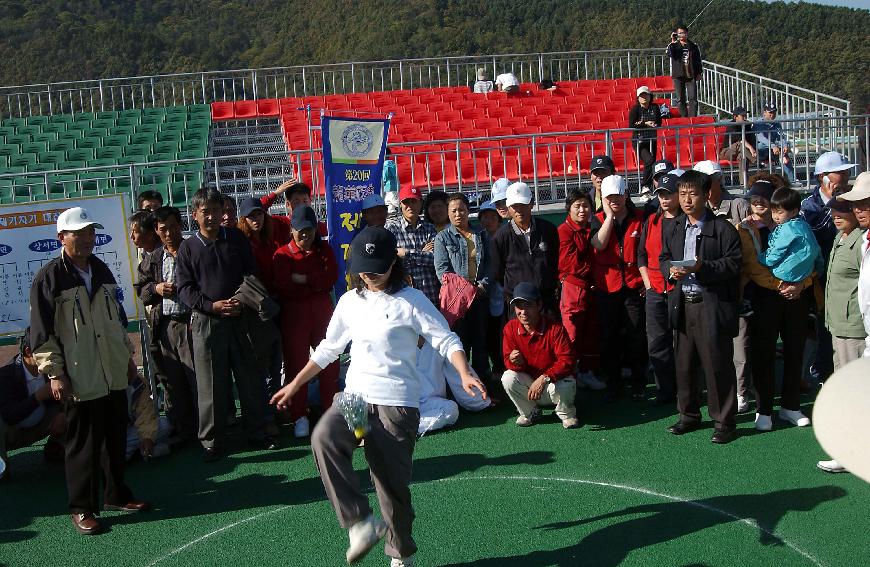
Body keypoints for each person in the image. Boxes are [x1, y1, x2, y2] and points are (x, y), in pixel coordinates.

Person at [270, 226, 486, 567]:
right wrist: (295, 384)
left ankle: (400, 555)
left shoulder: (411, 301)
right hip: (356, 397)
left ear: (392, 265)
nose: (369, 276)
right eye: (363, 269)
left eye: (377, 269)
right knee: (324, 438)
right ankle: (359, 522)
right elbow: (328, 349)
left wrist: (463, 371)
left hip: (396, 404)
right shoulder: (348, 301)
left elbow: (445, 339)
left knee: (390, 488)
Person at [30, 206, 150, 535]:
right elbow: (41, 334)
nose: (86, 239)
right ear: (61, 238)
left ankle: (116, 495)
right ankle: (81, 508)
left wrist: (127, 359)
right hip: (78, 377)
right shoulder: (49, 277)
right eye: (78, 233)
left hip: (111, 372)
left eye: (89, 232)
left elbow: (116, 322)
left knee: (114, 437)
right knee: (82, 445)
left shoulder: (101, 270)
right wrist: (55, 373)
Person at [176, 188, 274, 462]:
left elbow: (250, 273)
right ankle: (212, 441)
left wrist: (241, 300)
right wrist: (212, 306)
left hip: (241, 318)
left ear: (223, 213)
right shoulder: (188, 248)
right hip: (208, 323)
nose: (211, 217)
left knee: (250, 377)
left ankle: (257, 431)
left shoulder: (236, 238)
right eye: (205, 212)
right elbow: (184, 289)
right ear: (194, 215)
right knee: (210, 384)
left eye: (216, 211)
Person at [660, 171, 742, 444]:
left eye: (692, 194)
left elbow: (733, 264)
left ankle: (724, 421)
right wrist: (669, 271)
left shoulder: (722, 229)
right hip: (682, 303)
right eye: (682, 194)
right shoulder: (672, 225)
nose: (686, 200)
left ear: (706, 195)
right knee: (684, 364)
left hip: (711, 305)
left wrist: (701, 268)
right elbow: (663, 258)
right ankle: (689, 415)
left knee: (716, 364)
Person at [747, 186, 821, 431]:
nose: (759, 204)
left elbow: (812, 258)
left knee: (794, 351)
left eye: (764, 200)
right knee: (763, 352)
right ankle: (764, 409)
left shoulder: (798, 226)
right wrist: (780, 284)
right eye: (753, 199)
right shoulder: (746, 228)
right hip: (767, 297)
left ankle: (791, 406)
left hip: (797, 297)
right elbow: (753, 267)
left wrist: (801, 283)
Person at [271, 205, 340, 438]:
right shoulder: (281, 254)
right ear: (291, 230)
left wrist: (303, 279)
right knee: (296, 364)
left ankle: (330, 413)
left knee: (329, 361)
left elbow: (331, 277)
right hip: (295, 314)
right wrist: (315, 283)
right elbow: (284, 286)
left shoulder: (324, 250)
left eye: (309, 230)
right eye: (300, 230)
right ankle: (299, 415)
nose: (305, 235)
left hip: (322, 311)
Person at [134, 205, 199, 443]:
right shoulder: (153, 258)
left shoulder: (193, 249)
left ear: (180, 226)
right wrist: (156, 288)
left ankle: (206, 429)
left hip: (192, 323)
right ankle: (184, 430)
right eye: (163, 229)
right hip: (166, 326)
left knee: (197, 379)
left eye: (173, 227)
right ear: (156, 231)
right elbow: (141, 289)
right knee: (175, 381)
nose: (169, 232)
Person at [694, 159, 752, 411]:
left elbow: (748, 247)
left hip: (736, 285)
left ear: (719, 180)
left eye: (709, 180)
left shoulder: (738, 205)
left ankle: (740, 392)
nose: (706, 186)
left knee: (739, 343)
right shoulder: (697, 208)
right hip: (708, 288)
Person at [823, 172, 870, 472]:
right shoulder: (864, 239)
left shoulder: (861, 239)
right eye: (857, 204)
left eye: (865, 204)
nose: (858, 210)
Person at [590, 175, 648, 402]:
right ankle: (613, 383)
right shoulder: (597, 219)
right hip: (607, 288)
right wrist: (609, 218)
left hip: (634, 286)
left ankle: (638, 381)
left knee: (636, 335)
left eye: (618, 195)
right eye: (609, 197)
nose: (614, 200)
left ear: (626, 194)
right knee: (609, 338)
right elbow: (598, 244)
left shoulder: (641, 218)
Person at [801, 151, 857, 384]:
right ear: (824, 176)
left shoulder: (854, 199)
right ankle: (818, 371)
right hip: (819, 277)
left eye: (846, 171)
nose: (846, 175)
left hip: (847, 277)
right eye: (840, 171)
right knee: (819, 327)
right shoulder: (808, 206)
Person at [501, 282, 578, 429]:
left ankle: (567, 413)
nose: (523, 312)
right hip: (530, 385)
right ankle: (531, 412)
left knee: (568, 381)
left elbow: (567, 360)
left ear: (539, 305)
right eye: (519, 306)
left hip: (552, 384)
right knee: (508, 377)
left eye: (528, 305)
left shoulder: (555, 328)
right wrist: (516, 362)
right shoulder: (510, 328)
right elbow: (507, 361)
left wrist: (544, 378)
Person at [434, 193, 494, 381]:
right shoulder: (442, 238)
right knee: (460, 344)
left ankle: (483, 386)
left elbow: (492, 265)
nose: (458, 214)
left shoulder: (482, 236)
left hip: (480, 297)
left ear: (469, 211)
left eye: (462, 209)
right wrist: (467, 290)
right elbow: (443, 272)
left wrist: (483, 286)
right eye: (453, 211)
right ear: (448, 214)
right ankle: (462, 387)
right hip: (457, 302)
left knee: (481, 344)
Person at [638, 172, 681, 404]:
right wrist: (648, 283)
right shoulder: (652, 221)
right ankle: (664, 391)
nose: (664, 199)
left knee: (682, 342)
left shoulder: (687, 221)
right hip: (655, 289)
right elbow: (641, 255)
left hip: (680, 290)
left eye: (668, 194)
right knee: (656, 342)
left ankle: (685, 389)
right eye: (661, 194)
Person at [557, 188, 604, 390]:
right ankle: (569, 375)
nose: (582, 210)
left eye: (586, 205)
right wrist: (596, 269)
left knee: (591, 333)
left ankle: (587, 372)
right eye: (577, 206)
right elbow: (570, 265)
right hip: (573, 289)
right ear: (569, 209)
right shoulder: (563, 231)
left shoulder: (594, 228)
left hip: (591, 289)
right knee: (572, 334)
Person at [0, 329, 65, 476]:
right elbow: (9, 415)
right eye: (46, 351)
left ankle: (57, 447)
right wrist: (39, 396)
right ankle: (2, 469)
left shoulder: (55, 368)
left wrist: (63, 413)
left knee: (75, 410)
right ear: (28, 352)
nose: (51, 355)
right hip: (12, 433)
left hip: (43, 423)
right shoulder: (5, 375)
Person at [491, 182, 560, 315]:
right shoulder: (501, 236)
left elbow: (555, 260)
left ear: (531, 204)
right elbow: (498, 271)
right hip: (517, 304)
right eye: (514, 206)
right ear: (509, 208)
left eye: (523, 205)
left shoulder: (548, 229)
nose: (519, 210)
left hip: (546, 301)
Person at [823, 198, 867, 369]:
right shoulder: (840, 236)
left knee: (855, 384)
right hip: (838, 324)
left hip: (854, 327)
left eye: (842, 210)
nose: (836, 216)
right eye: (833, 210)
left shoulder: (862, 242)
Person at [416, 339, 491, 435]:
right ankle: (399, 426)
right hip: (399, 403)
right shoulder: (395, 340)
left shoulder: (438, 340)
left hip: (429, 403)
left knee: (451, 409)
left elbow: (457, 374)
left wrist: (481, 402)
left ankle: (410, 428)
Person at [385, 185, 440, 306]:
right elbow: (391, 260)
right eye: (406, 202)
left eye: (414, 201)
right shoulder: (391, 229)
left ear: (421, 203)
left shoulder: (430, 228)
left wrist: (407, 254)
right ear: (400, 204)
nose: (410, 206)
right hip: (403, 297)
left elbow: (436, 259)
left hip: (430, 293)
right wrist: (422, 253)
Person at [477, 201, 506, 384]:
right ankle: (496, 366)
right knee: (491, 332)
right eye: (484, 217)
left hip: (505, 289)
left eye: (492, 217)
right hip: (486, 293)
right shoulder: (478, 238)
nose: (488, 221)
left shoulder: (506, 235)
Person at [237, 196, 293, 289]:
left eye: (259, 214)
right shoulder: (241, 241)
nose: (256, 219)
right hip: (257, 293)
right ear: (244, 219)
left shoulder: (272, 233)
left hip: (279, 289)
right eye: (251, 216)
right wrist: (275, 193)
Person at [628, 86, 662, 190]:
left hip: (652, 140)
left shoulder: (655, 107)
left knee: (653, 162)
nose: (644, 97)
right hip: (639, 141)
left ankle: (652, 186)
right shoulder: (635, 109)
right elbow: (632, 124)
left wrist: (654, 124)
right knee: (649, 160)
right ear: (637, 98)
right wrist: (645, 123)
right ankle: (645, 185)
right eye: (641, 96)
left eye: (646, 95)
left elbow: (659, 122)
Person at [666, 24, 703, 117]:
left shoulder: (693, 46)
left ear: (687, 33)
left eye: (684, 33)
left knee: (693, 98)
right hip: (678, 75)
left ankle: (692, 118)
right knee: (680, 99)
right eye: (680, 33)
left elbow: (698, 60)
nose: (682, 35)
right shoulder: (674, 46)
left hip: (691, 75)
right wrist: (673, 41)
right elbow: (669, 53)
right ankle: (684, 118)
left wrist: (699, 72)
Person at [754, 102, 796, 183]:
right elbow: (761, 138)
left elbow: (781, 137)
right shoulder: (758, 123)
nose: (772, 115)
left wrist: (784, 146)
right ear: (764, 112)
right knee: (761, 146)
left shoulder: (777, 124)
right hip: (761, 152)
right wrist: (773, 146)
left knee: (784, 154)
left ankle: (793, 180)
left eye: (774, 112)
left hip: (774, 151)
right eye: (770, 112)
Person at [718, 107, 758, 184]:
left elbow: (751, 138)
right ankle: (756, 160)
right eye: (742, 115)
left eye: (745, 115)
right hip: (727, 152)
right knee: (739, 144)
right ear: (735, 117)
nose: (745, 117)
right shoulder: (732, 125)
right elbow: (740, 139)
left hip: (741, 152)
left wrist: (752, 147)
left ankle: (744, 184)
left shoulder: (747, 125)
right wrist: (751, 148)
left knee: (743, 157)